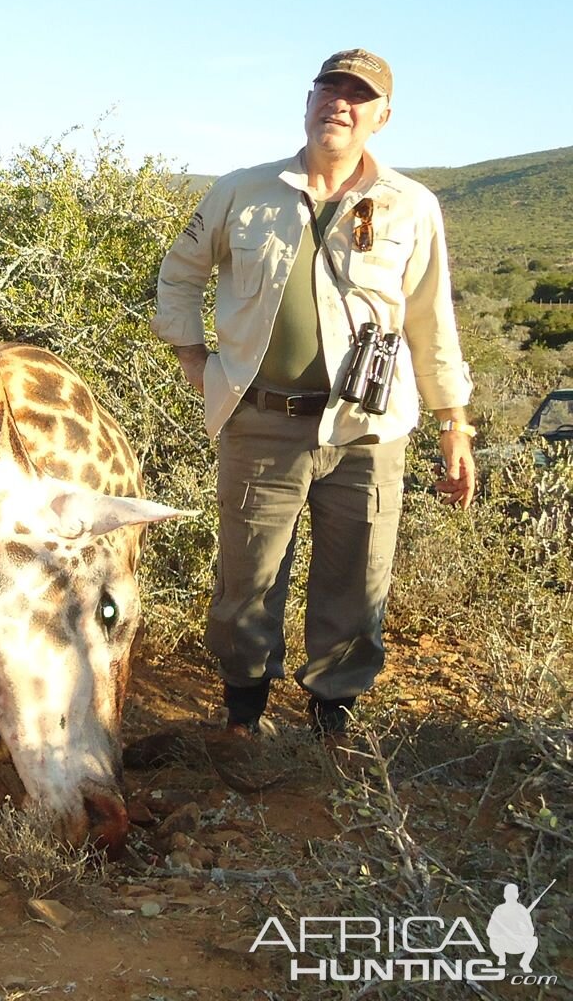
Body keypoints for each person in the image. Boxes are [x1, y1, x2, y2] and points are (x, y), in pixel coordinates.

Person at [152, 49, 475, 740]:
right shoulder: (243, 190)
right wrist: (194, 360)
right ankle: (243, 720)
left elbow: (430, 318)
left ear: (381, 117)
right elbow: (179, 273)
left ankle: (334, 724)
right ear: (307, 102)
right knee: (247, 584)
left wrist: (455, 424)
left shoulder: (410, 206)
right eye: (330, 88)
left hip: (369, 430)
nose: (340, 102)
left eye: (358, 95)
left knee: (356, 583)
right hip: (261, 420)